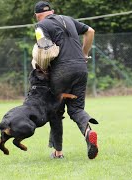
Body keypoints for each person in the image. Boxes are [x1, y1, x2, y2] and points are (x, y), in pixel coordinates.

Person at [33, 1, 99, 159]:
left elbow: (44, 49)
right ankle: (89, 133)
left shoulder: (40, 26)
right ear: (53, 11)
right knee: (76, 109)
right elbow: (90, 31)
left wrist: (39, 66)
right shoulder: (68, 19)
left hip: (61, 71)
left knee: (55, 112)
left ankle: (58, 152)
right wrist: (84, 54)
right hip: (81, 69)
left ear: (37, 16)